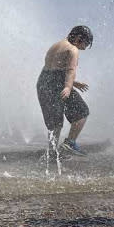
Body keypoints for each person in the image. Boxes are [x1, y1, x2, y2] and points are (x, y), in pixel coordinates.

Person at [36, 25, 93, 156]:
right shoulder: (73, 49)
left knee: (54, 121)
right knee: (82, 111)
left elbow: (54, 69)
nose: (84, 47)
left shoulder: (56, 45)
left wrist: (74, 83)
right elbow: (70, 70)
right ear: (79, 38)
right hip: (58, 84)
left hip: (43, 82)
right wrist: (68, 86)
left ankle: (52, 151)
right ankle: (70, 143)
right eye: (86, 43)